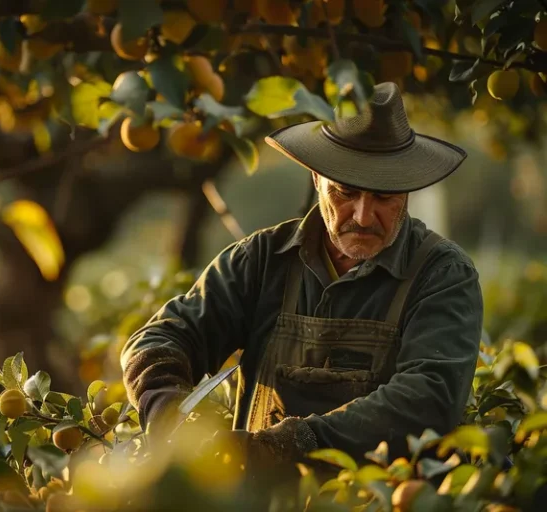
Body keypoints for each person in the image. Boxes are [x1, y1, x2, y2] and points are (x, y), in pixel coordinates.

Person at [120, 82, 483, 471]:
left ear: (407, 193)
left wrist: (296, 442)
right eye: (345, 192)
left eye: (384, 197)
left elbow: (428, 397)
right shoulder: (262, 261)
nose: (362, 216)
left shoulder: (443, 275)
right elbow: (161, 338)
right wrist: (169, 412)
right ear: (317, 179)